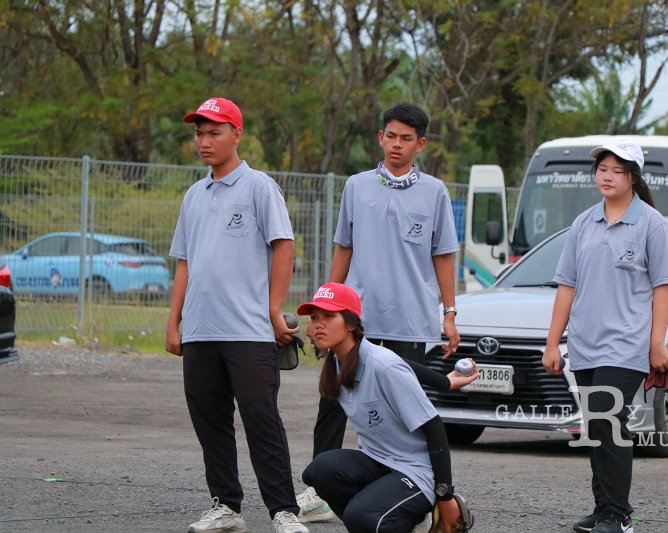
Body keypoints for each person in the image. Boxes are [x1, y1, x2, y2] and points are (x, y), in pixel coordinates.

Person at [297, 103, 463, 523]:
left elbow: (443, 255)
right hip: (354, 318)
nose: (396, 144)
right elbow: (344, 248)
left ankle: (415, 491)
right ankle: (316, 495)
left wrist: (450, 312)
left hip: (409, 318)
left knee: (408, 407)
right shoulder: (356, 186)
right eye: (391, 135)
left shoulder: (435, 192)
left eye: (406, 138)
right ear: (380, 137)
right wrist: (325, 305)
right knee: (332, 404)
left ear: (420, 144)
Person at [166, 96, 308, 533]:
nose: (204, 142)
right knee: (210, 422)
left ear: (237, 134)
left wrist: (273, 310)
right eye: (199, 133)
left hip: (248, 329)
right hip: (201, 329)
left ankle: (284, 511)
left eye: (214, 132)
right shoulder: (194, 194)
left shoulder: (259, 186)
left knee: (261, 418)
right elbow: (184, 262)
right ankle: (226, 507)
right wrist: (174, 322)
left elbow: (283, 245)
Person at [542, 138, 668, 533]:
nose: (609, 176)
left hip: (626, 345)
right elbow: (566, 285)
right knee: (596, 426)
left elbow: (663, 287)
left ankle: (618, 516)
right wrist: (553, 342)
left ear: (633, 177)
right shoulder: (583, 223)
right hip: (585, 344)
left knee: (610, 421)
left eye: (618, 171)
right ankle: (603, 510)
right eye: (603, 169)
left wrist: (656, 343)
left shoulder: (652, 224)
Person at [298, 283, 474, 533]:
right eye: (314, 318)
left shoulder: (383, 366)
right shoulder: (338, 361)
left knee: (361, 515)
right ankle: (404, 521)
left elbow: (434, 427)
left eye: (329, 316)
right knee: (320, 471)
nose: (318, 324)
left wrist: (445, 495)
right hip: (378, 460)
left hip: (415, 471)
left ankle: (409, 514)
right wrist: (444, 381)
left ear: (350, 323)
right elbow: (404, 364)